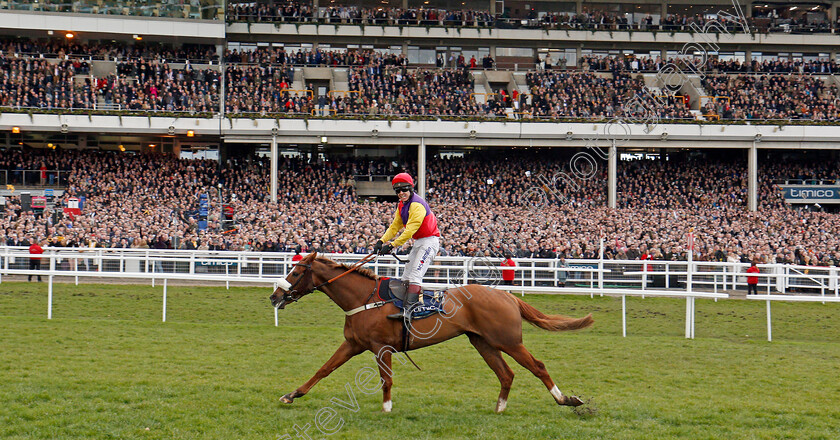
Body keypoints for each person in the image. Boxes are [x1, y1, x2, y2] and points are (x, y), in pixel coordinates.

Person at [374, 173, 441, 320]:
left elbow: (410, 230)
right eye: (397, 191)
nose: (401, 193)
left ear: (410, 188)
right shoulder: (402, 204)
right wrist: (381, 241)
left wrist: (392, 245)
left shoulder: (417, 205)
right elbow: (394, 226)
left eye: (404, 189)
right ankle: (400, 306)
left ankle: (409, 312)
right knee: (406, 276)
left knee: (415, 276)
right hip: (419, 242)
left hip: (429, 241)